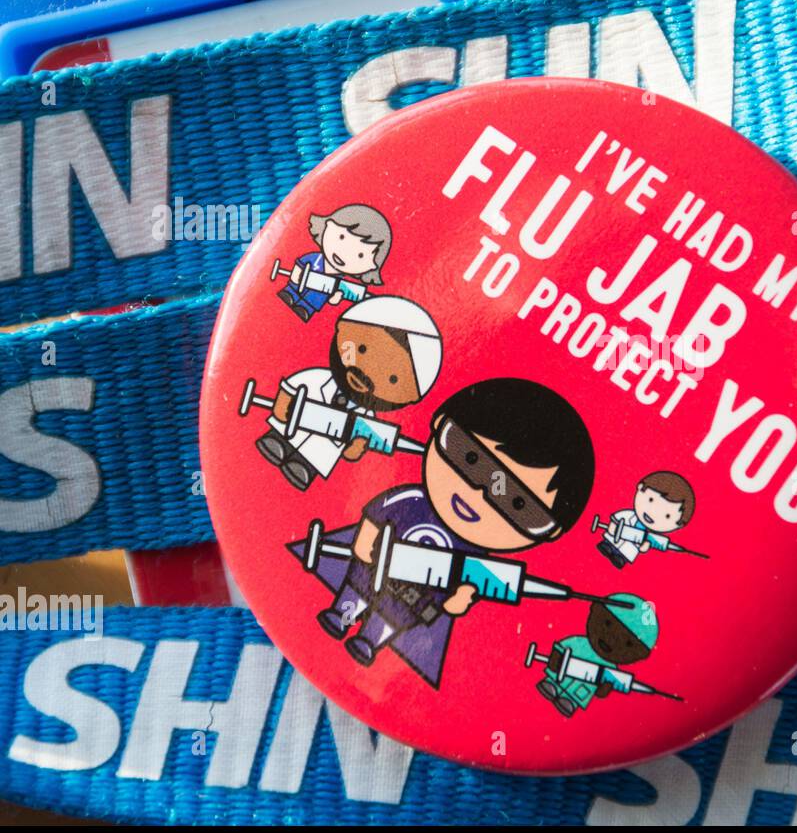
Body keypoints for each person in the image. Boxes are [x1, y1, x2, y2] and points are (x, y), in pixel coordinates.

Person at [316, 378, 596, 680]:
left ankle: (369, 642)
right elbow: (377, 517)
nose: (477, 494)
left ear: (551, 532)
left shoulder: (477, 561)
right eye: (472, 459)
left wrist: (457, 600)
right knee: (358, 590)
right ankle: (342, 614)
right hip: (370, 571)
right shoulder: (413, 499)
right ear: (439, 423)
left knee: (391, 620)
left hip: (414, 600)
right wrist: (366, 541)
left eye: (517, 504)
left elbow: (457, 590)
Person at [257, 296, 441, 491]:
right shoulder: (319, 379)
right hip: (284, 432)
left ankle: (301, 469)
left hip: (317, 457)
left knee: (305, 468)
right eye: (362, 349)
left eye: (392, 379)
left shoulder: (366, 422)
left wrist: (355, 448)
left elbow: (351, 452)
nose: (368, 373)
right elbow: (295, 387)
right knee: (274, 447)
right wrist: (284, 402)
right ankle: (275, 444)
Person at [538, 594, 658, 717]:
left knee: (577, 695)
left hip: (581, 691)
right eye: (607, 624)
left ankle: (569, 703)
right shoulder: (580, 644)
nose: (612, 640)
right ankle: (551, 685)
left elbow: (602, 691)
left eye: (628, 643)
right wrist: (556, 658)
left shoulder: (611, 671)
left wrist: (603, 688)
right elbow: (562, 649)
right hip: (560, 676)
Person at [277, 204, 392, 322]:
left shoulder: (342, 283)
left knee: (305, 310)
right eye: (341, 237)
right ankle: (290, 295)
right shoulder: (315, 259)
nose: (345, 253)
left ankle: (304, 309)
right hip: (292, 292)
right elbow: (300, 266)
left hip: (310, 306)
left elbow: (333, 299)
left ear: (372, 266)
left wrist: (335, 299)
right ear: (328, 224)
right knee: (287, 298)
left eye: (360, 255)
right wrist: (296, 275)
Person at [597, 471, 696, 569]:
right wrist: (613, 526)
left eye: (667, 516)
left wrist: (644, 547)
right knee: (608, 545)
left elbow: (644, 547)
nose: (653, 513)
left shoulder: (652, 537)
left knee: (623, 556)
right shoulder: (630, 515)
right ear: (640, 487)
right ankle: (606, 546)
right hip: (613, 539)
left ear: (679, 525)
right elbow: (617, 519)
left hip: (628, 550)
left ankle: (619, 559)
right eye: (651, 500)